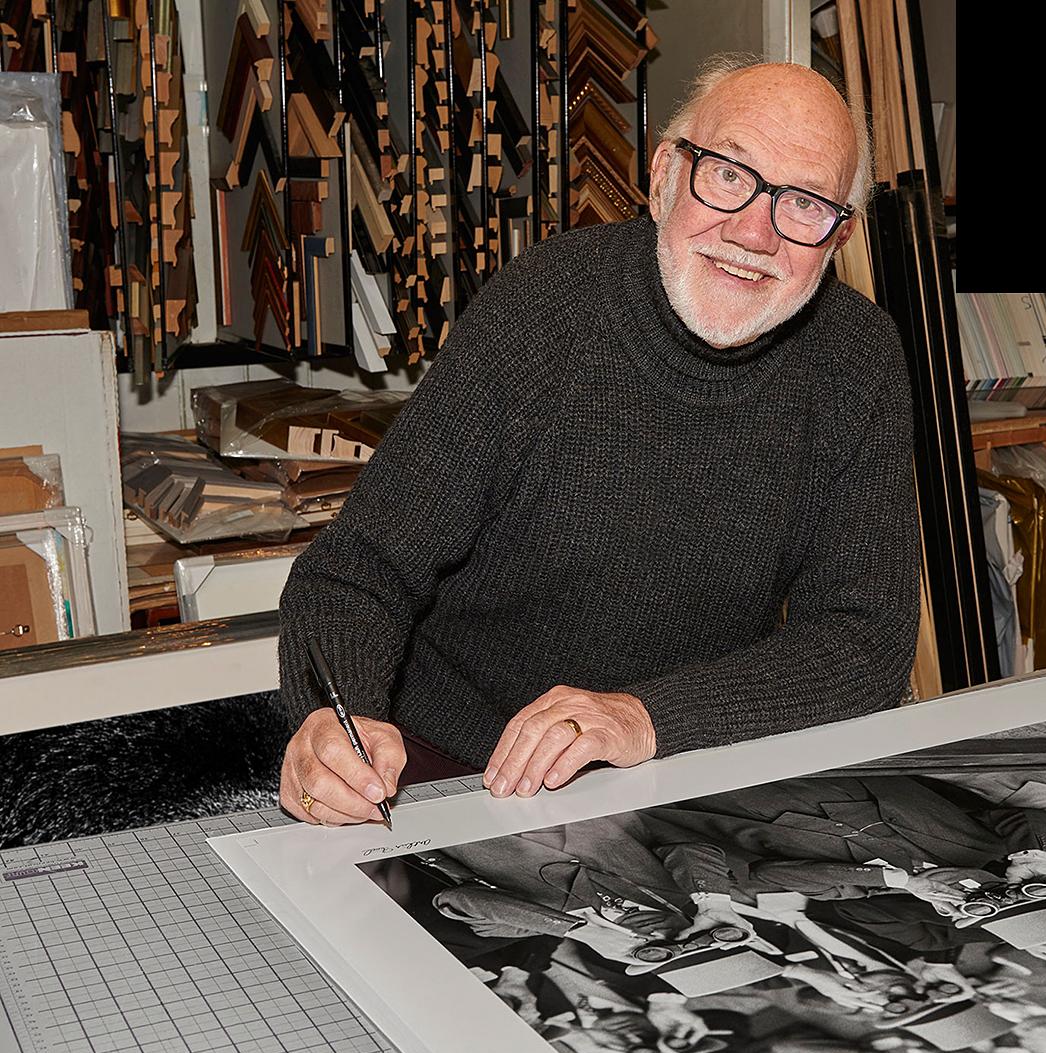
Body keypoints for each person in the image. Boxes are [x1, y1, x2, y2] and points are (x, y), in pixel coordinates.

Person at [273, 54, 920, 826]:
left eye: (805, 203)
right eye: (728, 174)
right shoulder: (544, 309)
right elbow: (356, 572)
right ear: (662, 177)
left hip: (690, 764)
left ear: (839, 235)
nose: (755, 231)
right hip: (454, 771)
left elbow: (865, 643)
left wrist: (646, 718)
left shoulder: (859, 360)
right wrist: (328, 718)